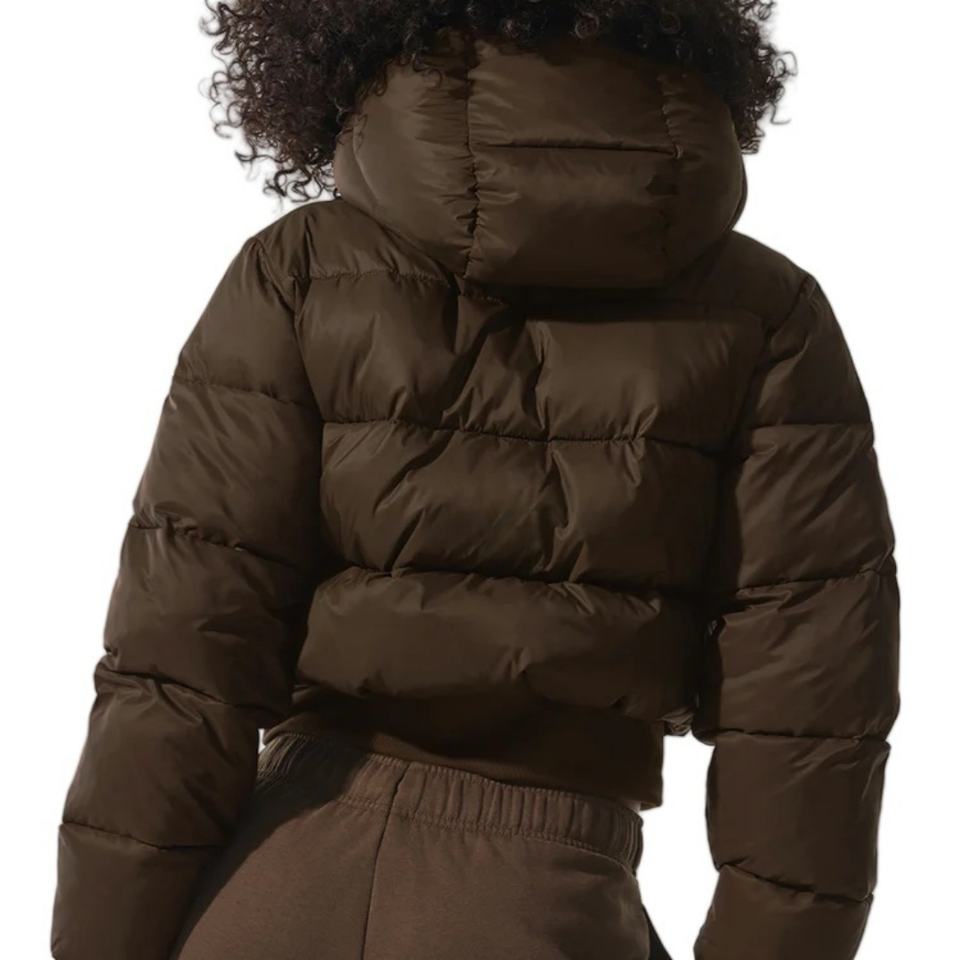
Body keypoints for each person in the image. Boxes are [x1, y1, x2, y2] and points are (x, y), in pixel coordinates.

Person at [51, 3, 900, 959]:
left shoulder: (300, 271)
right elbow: (811, 711)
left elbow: (180, 659)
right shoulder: (770, 315)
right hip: (550, 897)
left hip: (268, 883)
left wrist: (107, 939)